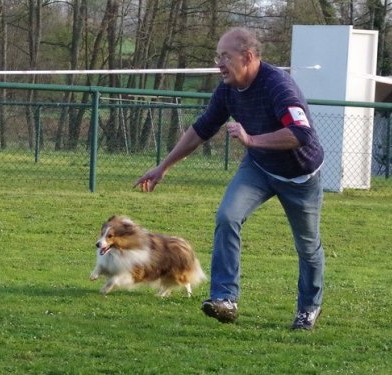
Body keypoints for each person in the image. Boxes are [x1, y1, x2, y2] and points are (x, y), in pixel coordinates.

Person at [134, 27, 325, 330]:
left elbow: (301, 134)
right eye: (217, 56)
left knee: (307, 245)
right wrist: (163, 167)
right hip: (260, 168)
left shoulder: (279, 87)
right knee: (227, 216)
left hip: (299, 176)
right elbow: (201, 129)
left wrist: (253, 140)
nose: (218, 63)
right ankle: (225, 299)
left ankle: (309, 308)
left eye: (225, 56)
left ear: (247, 57)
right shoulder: (227, 90)